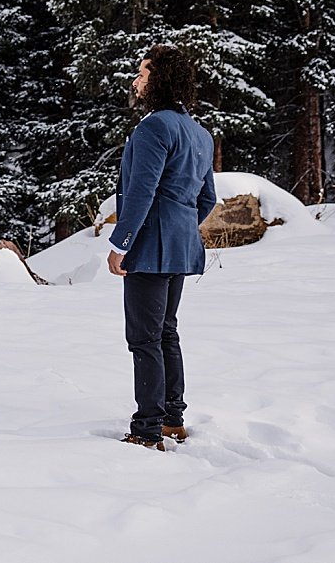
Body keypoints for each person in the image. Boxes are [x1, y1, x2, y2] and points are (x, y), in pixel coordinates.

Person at [104, 43, 216, 450]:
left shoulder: (154, 127)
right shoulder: (199, 132)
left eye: (142, 72)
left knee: (144, 338)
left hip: (150, 245)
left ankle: (147, 430)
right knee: (166, 332)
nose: (136, 80)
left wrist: (121, 244)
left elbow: (140, 192)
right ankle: (172, 419)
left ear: (159, 80)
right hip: (181, 246)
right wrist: (181, 226)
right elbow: (206, 199)